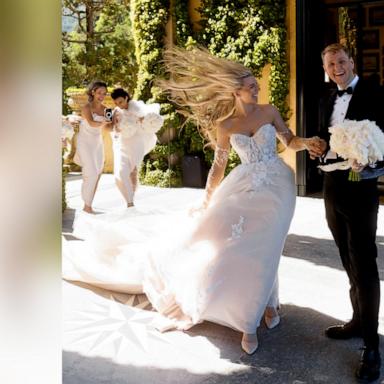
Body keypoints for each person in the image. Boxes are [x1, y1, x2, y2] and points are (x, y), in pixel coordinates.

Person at [64, 47, 324, 354]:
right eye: (251, 85)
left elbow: (289, 141)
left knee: (268, 242)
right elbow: (218, 166)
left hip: (277, 185)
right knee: (241, 245)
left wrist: (307, 143)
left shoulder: (269, 111)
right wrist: (208, 198)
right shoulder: (226, 125)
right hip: (243, 184)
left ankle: (256, 314)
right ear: (235, 91)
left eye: (256, 85)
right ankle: (258, 309)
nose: (256, 88)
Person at [315, 43, 384, 382]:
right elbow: (322, 140)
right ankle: (358, 320)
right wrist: (317, 149)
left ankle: (372, 347)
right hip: (332, 188)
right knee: (345, 256)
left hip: (360, 186)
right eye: (331, 63)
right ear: (326, 68)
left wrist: (373, 161)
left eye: (342, 61)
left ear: (352, 62)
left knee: (365, 262)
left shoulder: (374, 92)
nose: (337, 67)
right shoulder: (326, 99)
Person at [110, 88, 160, 207]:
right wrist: (115, 126)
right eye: (116, 103)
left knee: (132, 171)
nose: (118, 105)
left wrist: (141, 120)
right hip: (122, 144)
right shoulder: (115, 111)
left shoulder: (137, 107)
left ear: (126, 97)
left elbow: (148, 121)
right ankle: (129, 199)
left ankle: (130, 201)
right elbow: (113, 128)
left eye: (121, 102)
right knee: (120, 173)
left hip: (137, 143)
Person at [74, 80, 113, 213]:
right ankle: (87, 205)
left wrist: (116, 121)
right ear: (93, 92)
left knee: (97, 172)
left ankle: (88, 205)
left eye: (104, 93)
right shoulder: (86, 108)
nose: (102, 95)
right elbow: (91, 123)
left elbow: (109, 128)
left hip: (97, 143)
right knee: (90, 171)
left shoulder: (107, 110)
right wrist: (104, 123)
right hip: (85, 141)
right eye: (99, 93)